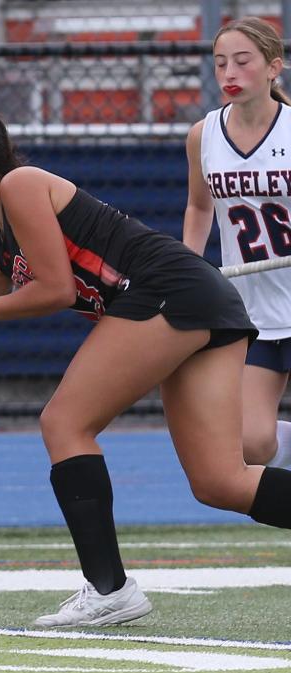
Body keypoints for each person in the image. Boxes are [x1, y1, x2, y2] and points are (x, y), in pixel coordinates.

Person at [0, 112, 291, 627]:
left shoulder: (22, 187)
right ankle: (111, 589)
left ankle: (109, 590)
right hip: (196, 301)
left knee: (64, 422)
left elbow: (56, 289)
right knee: (219, 482)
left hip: (169, 291)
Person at [182, 16, 291, 470]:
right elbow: (199, 207)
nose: (229, 74)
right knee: (250, 444)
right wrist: (186, 268)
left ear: (273, 68)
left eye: (243, 62)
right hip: (253, 312)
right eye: (221, 63)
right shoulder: (203, 134)